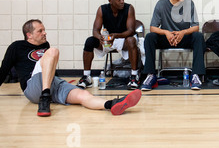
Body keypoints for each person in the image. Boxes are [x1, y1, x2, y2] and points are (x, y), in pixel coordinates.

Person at [0, 19, 141, 117]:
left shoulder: (45, 44)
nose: (45, 33)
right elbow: (3, 70)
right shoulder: (16, 47)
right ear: (29, 35)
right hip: (32, 86)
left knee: (83, 95)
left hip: (51, 85)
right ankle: (44, 99)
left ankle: (112, 104)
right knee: (53, 51)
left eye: (44, 30)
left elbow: (50, 70)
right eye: (40, 31)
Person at [141, 0, 206, 90]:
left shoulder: (189, 4)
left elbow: (195, 27)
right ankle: (151, 75)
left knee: (198, 36)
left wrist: (183, 32)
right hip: (167, 39)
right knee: (150, 37)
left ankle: (196, 75)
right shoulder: (161, 4)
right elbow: (153, 28)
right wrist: (166, 32)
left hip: (183, 38)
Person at [78, 0, 140, 90]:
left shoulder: (129, 8)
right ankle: (86, 76)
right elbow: (95, 30)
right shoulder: (102, 9)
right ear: (110, 1)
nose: (122, 1)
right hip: (108, 39)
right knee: (90, 41)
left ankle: (134, 76)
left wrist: (115, 35)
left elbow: (131, 31)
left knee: (131, 40)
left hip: (123, 38)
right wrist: (100, 38)